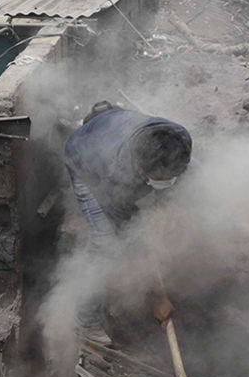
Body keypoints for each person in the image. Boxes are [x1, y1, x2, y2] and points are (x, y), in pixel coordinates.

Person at [63, 101, 192, 346]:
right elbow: (129, 236)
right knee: (106, 243)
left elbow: (181, 172)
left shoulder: (179, 137)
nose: (165, 182)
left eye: (170, 178)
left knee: (185, 194)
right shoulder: (115, 175)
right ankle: (86, 322)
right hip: (83, 158)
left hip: (113, 126)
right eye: (157, 179)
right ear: (139, 167)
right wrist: (159, 296)